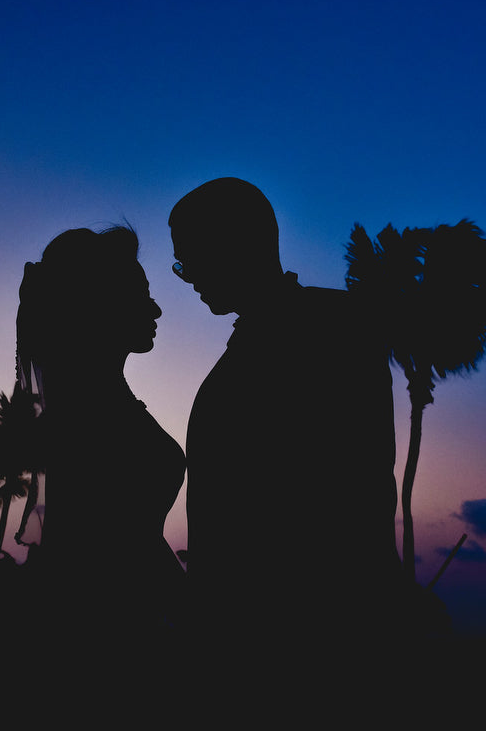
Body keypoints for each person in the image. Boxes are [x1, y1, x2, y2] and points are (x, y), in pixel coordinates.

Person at [169, 177, 400, 675]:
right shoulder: (262, 339)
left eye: (188, 260)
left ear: (234, 245)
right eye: (179, 265)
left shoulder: (336, 325)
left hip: (309, 641)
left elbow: (360, 484)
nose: (186, 278)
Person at [14, 225, 187, 663]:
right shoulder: (86, 415)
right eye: (140, 294)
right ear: (98, 304)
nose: (156, 308)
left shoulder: (98, 400)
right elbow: (113, 547)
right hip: (110, 642)